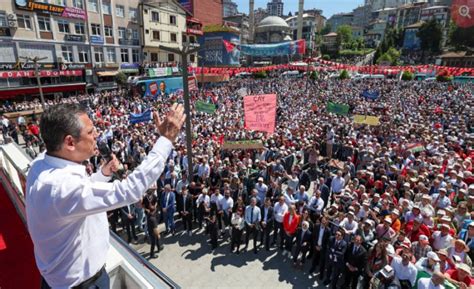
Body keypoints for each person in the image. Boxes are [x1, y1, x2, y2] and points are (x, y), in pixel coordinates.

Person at [27, 103, 185, 289]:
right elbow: (130, 190)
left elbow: (78, 196)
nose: (96, 135)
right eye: (90, 131)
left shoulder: (41, 164)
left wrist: (102, 175)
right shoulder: (62, 187)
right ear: (70, 142)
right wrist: (166, 139)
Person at [142, 186, 163, 258]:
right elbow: (155, 229)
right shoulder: (151, 217)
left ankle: (159, 247)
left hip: (151, 219)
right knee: (155, 239)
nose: (149, 195)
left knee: (156, 238)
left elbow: (156, 202)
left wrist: (154, 207)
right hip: (152, 228)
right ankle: (152, 254)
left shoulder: (154, 197)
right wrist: (158, 234)